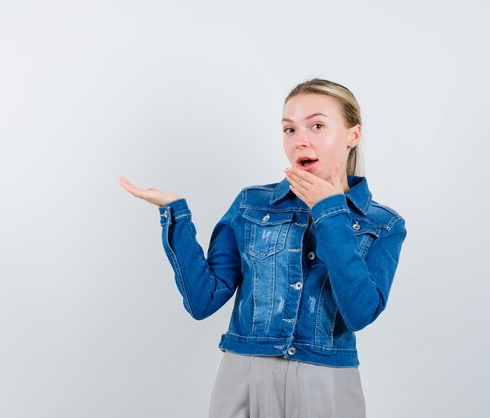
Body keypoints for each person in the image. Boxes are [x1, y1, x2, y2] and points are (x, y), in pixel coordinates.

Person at [119, 78, 407, 418]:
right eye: (289, 130)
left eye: (316, 126)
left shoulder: (384, 224)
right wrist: (176, 214)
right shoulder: (250, 204)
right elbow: (203, 300)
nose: (301, 141)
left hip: (326, 380)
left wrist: (328, 211)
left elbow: (360, 313)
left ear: (352, 135)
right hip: (244, 372)